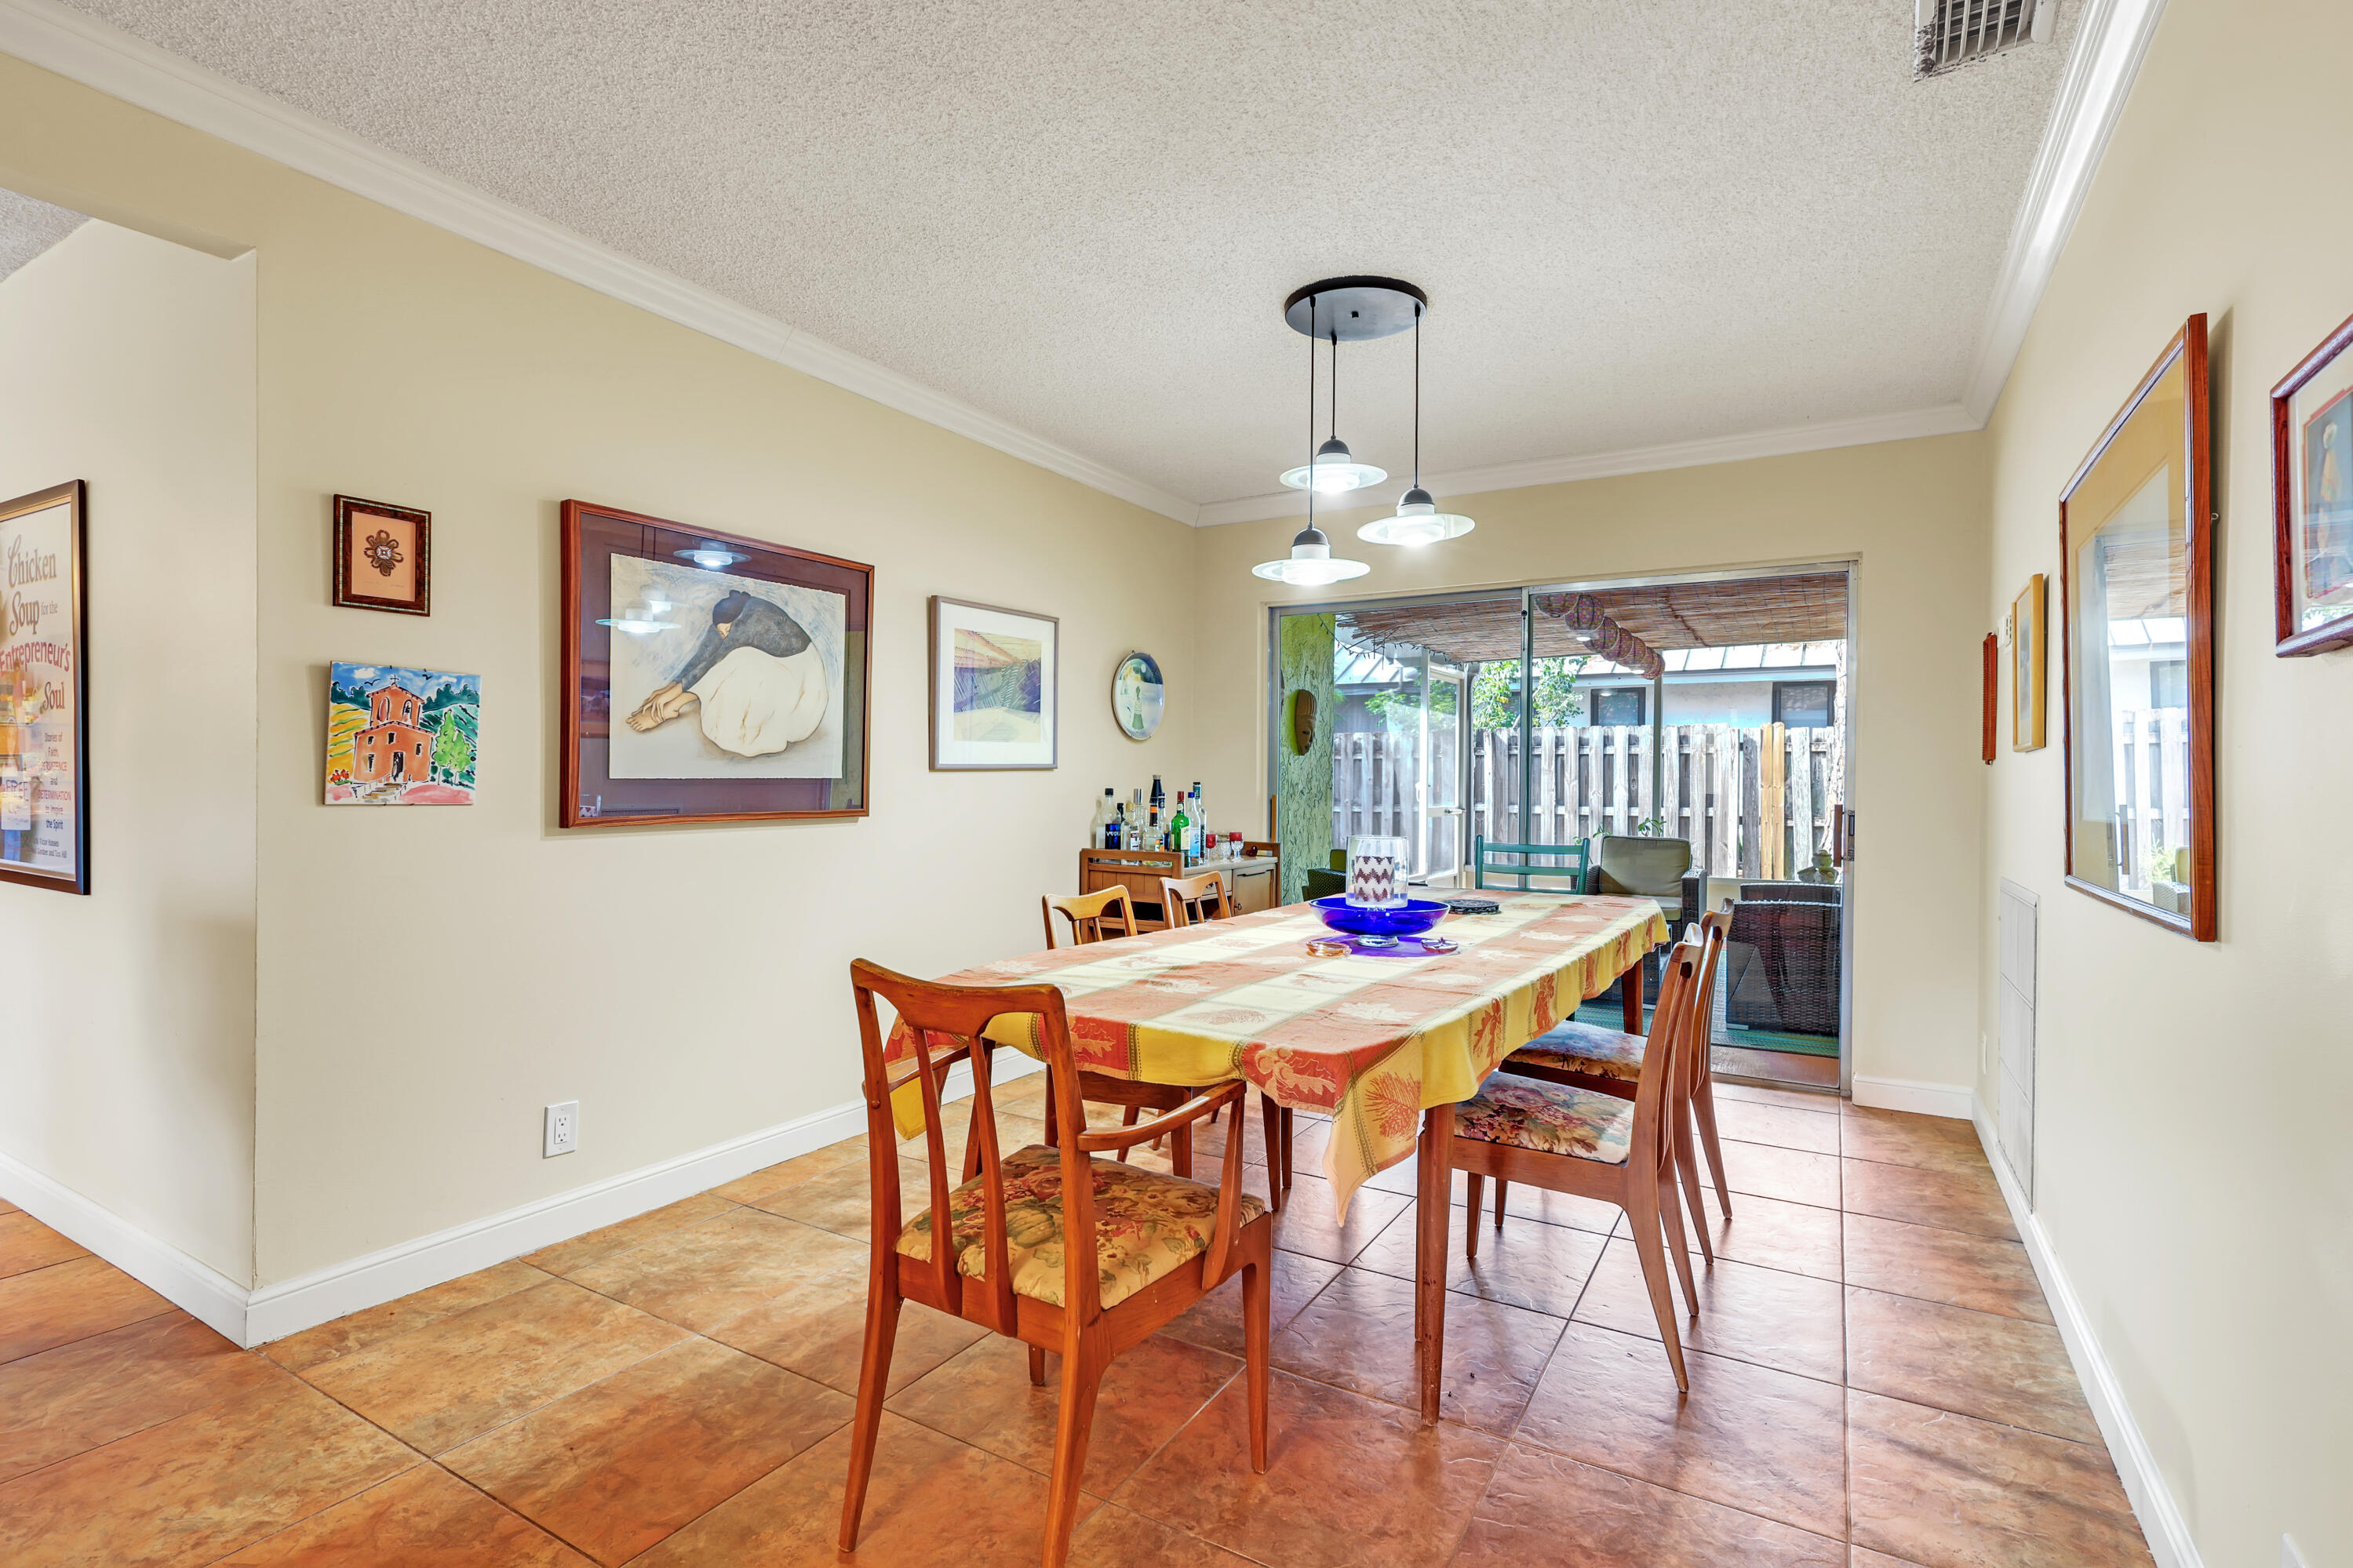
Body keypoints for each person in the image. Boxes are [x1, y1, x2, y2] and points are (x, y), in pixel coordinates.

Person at [626, 590, 827, 757]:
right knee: (731, 659)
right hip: (781, 680)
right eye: (722, 632)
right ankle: (668, 707)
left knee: (737, 659)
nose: (725, 636)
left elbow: (715, 662)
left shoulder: (757, 616)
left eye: (727, 631)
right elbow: (703, 656)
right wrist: (668, 687)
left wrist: (672, 696)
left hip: (801, 691)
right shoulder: (736, 614)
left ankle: (671, 708)